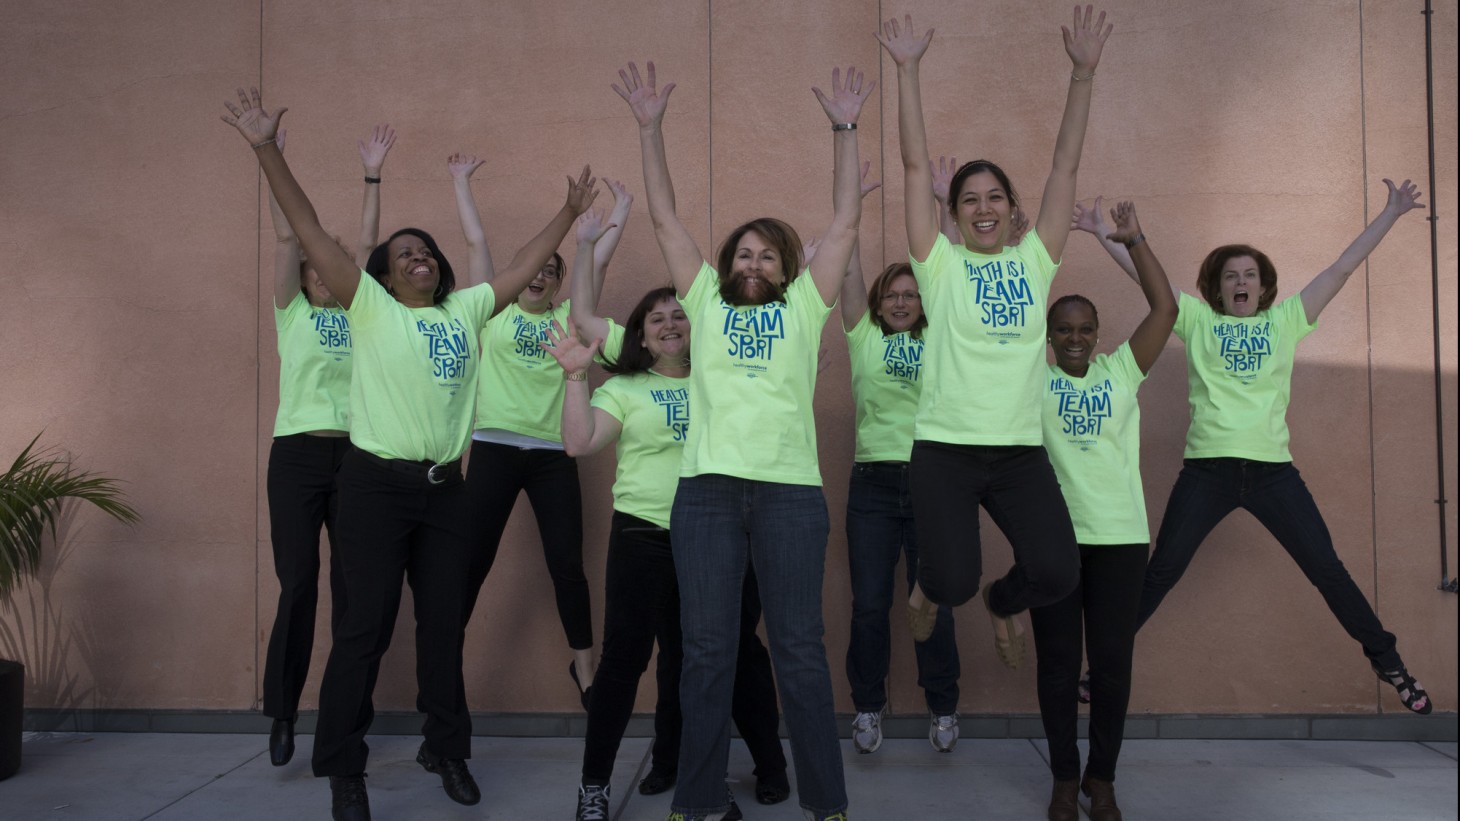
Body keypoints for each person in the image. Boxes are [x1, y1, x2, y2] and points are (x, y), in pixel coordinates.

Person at [222, 86, 598, 820]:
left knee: (443, 624)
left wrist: (570, 213)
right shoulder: (367, 307)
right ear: (384, 274)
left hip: (444, 491)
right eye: (404, 254)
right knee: (363, 626)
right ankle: (343, 767)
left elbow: (523, 263)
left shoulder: (466, 309)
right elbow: (304, 227)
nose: (418, 257)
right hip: (372, 486)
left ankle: (446, 747)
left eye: (425, 251)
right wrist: (266, 147)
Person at [614, 59, 871, 821]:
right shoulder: (703, 300)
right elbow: (662, 218)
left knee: (798, 653)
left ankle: (827, 805)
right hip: (708, 496)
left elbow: (847, 222)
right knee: (705, 653)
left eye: (766, 254)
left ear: (786, 266)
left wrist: (846, 129)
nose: (751, 262)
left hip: (791, 495)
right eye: (742, 253)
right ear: (724, 267)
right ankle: (694, 804)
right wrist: (651, 128)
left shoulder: (804, 305)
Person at [1083, 179, 1435, 718]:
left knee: (1326, 568)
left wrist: (1390, 213)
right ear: (1217, 289)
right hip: (1208, 472)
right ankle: (1101, 664)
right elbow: (1146, 280)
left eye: (1249, 275)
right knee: (1161, 571)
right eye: (1231, 277)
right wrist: (1104, 235)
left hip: (1274, 475)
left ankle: (1388, 662)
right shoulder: (1198, 320)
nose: (1240, 282)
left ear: (1263, 287)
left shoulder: (1285, 320)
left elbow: (1342, 268)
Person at [877, 6, 1113, 668]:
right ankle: (929, 591)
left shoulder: (1035, 261)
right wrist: (909, 71)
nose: (982, 207)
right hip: (946, 450)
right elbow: (914, 163)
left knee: (1058, 573)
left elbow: (1065, 167)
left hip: (1018, 452)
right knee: (949, 581)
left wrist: (1083, 76)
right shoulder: (940, 264)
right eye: (969, 199)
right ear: (953, 214)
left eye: (994, 197)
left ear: (1013, 211)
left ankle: (1005, 603)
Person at [543, 211, 790, 821]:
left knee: (706, 661)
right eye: (656, 319)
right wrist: (576, 375)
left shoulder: (721, 377)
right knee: (626, 662)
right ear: (642, 340)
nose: (670, 322)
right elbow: (578, 443)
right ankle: (594, 786)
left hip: (718, 536)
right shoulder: (626, 388)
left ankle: (699, 777)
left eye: (679, 313)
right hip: (644, 535)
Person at [457, 165, 633, 707]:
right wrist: (461, 183)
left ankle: (584, 670)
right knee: (470, 563)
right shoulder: (492, 312)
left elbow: (597, 260)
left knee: (567, 565)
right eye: (537, 269)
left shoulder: (570, 320)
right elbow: (476, 240)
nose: (541, 277)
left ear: (558, 284)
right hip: (493, 449)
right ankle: (443, 657)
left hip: (554, 454)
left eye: (553, 273)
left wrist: (620, 212)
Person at [1033, 200, 1177, 821]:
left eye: (1083, 329)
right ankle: (1065, 779)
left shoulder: (1121, 371)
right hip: (1055, 543)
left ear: (1097, 334)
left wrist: (1134, 239)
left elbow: (1166, 309)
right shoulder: (1031, 379)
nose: (1074, 339)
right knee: (1060, 668)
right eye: (1062, 330)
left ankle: (1103, 779)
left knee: (1112, 668)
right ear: (1047, 336)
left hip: (1120, 540)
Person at [261, 123, 393, 768]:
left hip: (356, 461)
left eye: (326, 271)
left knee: (354, 590)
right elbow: (290, 231)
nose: (320, 277)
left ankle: (345, 722)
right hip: (296, 457)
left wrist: (372, 177)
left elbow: (366, 244)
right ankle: (283, 712)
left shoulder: (363, 316)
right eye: (313, 270)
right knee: (298, 584)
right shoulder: (292, 311)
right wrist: (274, 154)